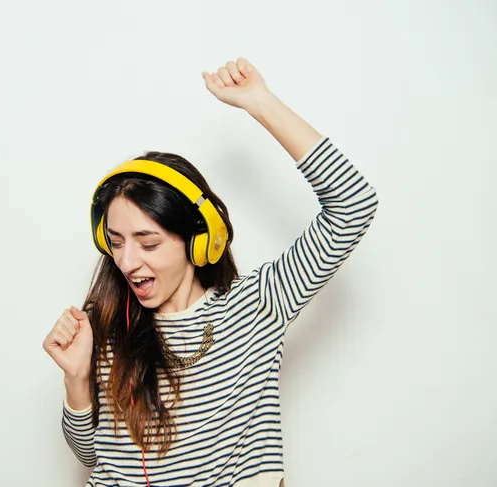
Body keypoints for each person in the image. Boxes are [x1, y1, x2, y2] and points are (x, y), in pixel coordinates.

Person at [42, 57, 379, 487]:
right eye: (116, 242)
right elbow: (89, 454)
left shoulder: (258, 305)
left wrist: (260, 103)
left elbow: (353, 206)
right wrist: (77, 380)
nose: (126, 262)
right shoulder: (108, 324)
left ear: (200, 241)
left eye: (148, 243)